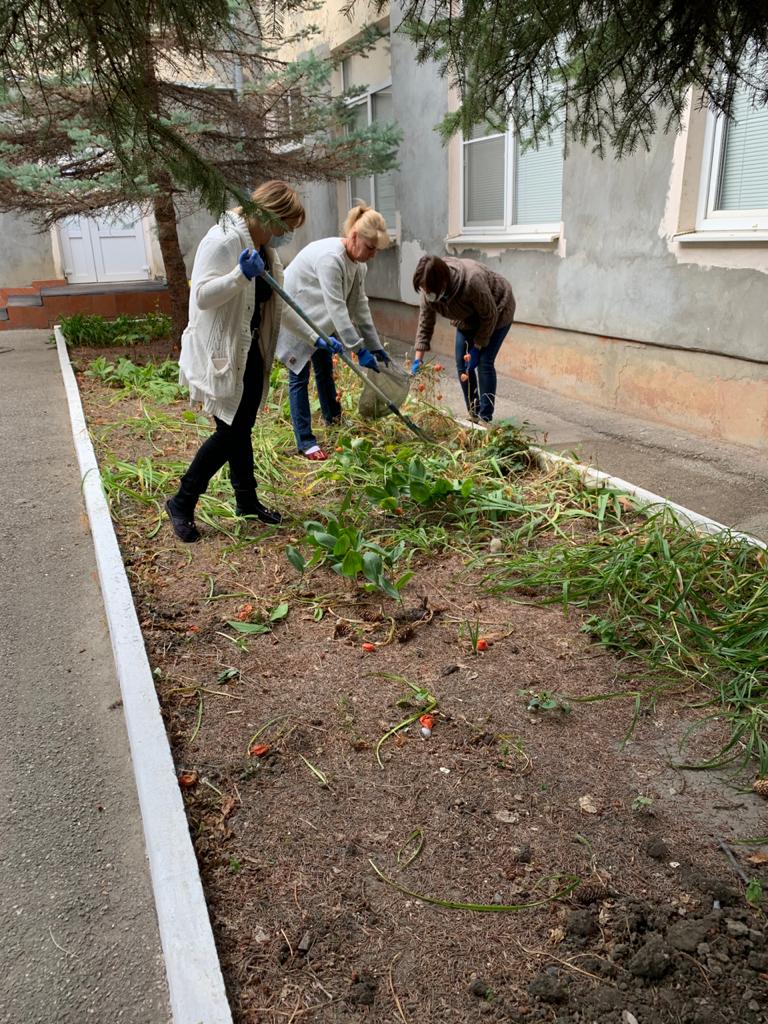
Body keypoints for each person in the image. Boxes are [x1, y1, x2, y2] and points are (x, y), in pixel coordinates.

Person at [166, 180, 306, 542]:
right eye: (285, 226)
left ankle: (246, 501)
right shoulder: (224, 240)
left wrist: (316, 336)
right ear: (269, 214)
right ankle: (182, 501)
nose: (285, 234)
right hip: (223, 354)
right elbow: (201, 296)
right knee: (230, 431)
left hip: (250, 351)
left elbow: (277, 300)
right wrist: (239, 276)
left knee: (240, 428)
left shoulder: (265, 249)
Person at [276, 203, 392, 460]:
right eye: (370, 247)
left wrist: (374, 346)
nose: (373, 254)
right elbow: (337, 308)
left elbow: (361, 307)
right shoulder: (331, 259)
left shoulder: (359, 264)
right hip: (297, 316)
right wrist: (358, 349)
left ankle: (333, 419)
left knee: (324, 369)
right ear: (354, 237)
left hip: (320, 321)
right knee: (299, 375)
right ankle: (305, 441)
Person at [411, 255, 516, 423]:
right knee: (462, 364)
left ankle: (485, 418)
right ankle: (473, 414)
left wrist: (478, 346)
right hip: (468, 318)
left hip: (497, 309)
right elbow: (425, 323)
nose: (426, 294)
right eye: (423, 289)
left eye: (429, 290)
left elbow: (489, 316)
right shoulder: (428, 291)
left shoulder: (471, 281)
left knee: (483, 362)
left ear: (442, 283)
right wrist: (418, 360)